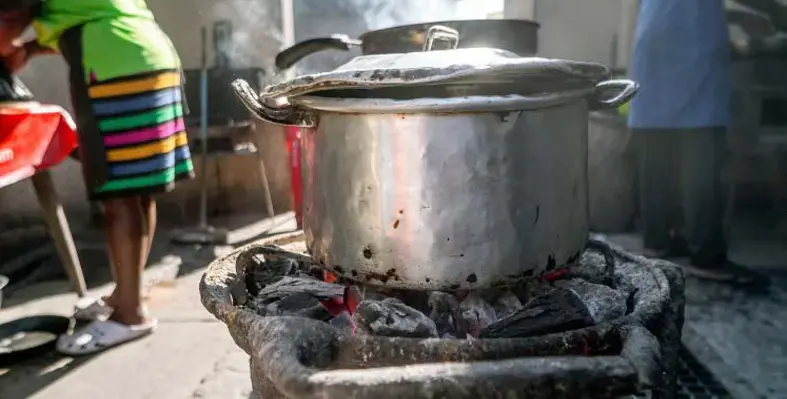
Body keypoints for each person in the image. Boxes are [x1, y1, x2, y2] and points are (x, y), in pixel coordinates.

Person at [0, 1, 194, 355]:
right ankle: (125, 295)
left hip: (112, 69)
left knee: (118, 195)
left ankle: (129, 316)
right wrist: (29, 48)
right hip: (152, 56)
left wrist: (12, 46)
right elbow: (90, 13)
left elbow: (6, 25)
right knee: (140, 189)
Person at [628, 0, 767, 287]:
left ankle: (656, 241)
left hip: (654, 35)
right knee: (702, 151)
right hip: (694, 40)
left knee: (656, 147)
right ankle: (707, 256)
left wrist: (734, 14)